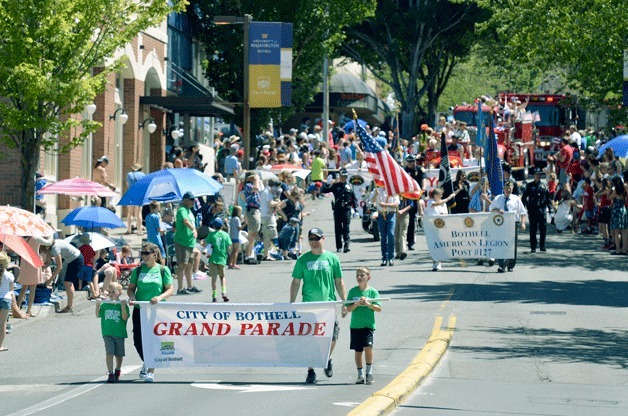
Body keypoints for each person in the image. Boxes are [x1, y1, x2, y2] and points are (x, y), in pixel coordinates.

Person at [290, 228, 348, 384]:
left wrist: (345, 302)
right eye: (311, 239)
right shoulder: (302, 260)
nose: (314, 242)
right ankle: (311, 370)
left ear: (323, 239)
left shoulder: (332, 258)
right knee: (309, 339)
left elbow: (338, 281)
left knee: (332, 336)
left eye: (316, 238)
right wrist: (292, 303)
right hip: (309, 306)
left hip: (328, 305)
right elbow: (296, 282)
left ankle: (326, 358)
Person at [127, 243, 174, 383]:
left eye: (147, 253)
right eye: (142, 253)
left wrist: (160, 297)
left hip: (157, 310)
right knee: (138, 340)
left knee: (154, 340)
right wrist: (132, 296)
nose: (144, 256)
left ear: (154, 254)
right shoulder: (138, 270)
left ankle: (151, 370)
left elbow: (170, 289)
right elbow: (131, 288)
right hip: (140, 309)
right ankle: (147, 362)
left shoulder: (162, 270)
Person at [345, 266, 382, 385]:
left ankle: (369, 372)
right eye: (357, 275)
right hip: (355, 325)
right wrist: (356, 304)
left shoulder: (373, 292)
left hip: (368, 325)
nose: (359, 277)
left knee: (368, 347)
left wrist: (368, 304)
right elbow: (348, 308)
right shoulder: (353, 291)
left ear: (368, 277)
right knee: (358, 351)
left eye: (362, 275)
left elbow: (379, 308)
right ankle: (360, 374)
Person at [489, 181, 527, 273]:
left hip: (513, 224)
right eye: (506, 188)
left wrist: (523, 223)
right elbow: (491, 210)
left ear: (512, 189)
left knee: (511, 245)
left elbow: (522, 212)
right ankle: (502, 265)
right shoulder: (498, 198)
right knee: (501, 244)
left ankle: (510, 265)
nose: (508, 190)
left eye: (510, 188)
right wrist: (498, 210)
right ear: (503, 189)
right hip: (501, 225)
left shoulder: (516, 199)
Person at [95, 282, 129, 383]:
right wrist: (97, 305)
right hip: (107, 333)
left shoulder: (121, 304)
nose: (111, 294)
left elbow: (124, 317)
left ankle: (117, 369)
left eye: (113, 292)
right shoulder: (105, 304)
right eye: (109, 292)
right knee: (109, 353)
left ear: (119, 293)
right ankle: (110, 373)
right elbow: (98, 315)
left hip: (119, 333)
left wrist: (123, 306)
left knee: (119, 354)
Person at [41, 239, 84, 313]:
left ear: (46, 247)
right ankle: (70, 305)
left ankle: (69, 307)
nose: (44, 253)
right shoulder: (51, 247)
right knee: (69, 283)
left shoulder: (55, 249)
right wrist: (40, 269)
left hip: (76, 259)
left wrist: (50, 280)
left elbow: (59, 267)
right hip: (72, 259)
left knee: (67, 283)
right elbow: (48, 262)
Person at [15, 235, 53, 317]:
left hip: (25, 261)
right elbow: (49, 243)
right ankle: (29, 310)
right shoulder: (36, 238)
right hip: (34, 261)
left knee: (24, 287)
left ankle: (17, 309)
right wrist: (51, 235)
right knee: (33, 288)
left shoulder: (22, 238)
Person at [321, 168, 357, 253]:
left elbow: (353, 198)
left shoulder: (349, 186)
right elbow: (324, 190)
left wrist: (356, 210)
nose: (344, 178)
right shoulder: (335, 185)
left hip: (346, 209)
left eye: (345, 176)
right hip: (337, 209)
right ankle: (339, 246)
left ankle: (346, 245)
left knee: (346, 228)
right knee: (338, 229)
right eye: (342, 176)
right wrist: (328, 183)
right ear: (339, 176)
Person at [173, 191, 202, 295]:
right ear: (185, 200)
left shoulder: (189, 210)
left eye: (194, 199)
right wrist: (193, 229)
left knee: (190, 264)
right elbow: (185, 221)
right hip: (182, 241)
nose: (193, 201)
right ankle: (180, 288)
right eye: (191, 199)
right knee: (182, 264)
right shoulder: (182, 210)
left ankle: (190, 286)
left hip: (190, 242)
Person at [424, 187, 460, 271]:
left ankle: (439, 263)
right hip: (431, 227)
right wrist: (448, 198)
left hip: (441, 227)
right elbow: (439, 203)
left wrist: (455, 193)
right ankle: (434, 263)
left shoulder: (443, 204)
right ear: (435, 195)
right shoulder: (430, 202)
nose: (441, 197)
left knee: (439, 245)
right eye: (440, 195)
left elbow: (445, 214)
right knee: (433, 245)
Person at [522, 168, 554, 252]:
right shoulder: (529, 185)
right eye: (536, 174)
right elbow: (524, 197)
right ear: (534, 176)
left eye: (539, 174)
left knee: (543, 229)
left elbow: (548, 198)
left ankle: (542, 246)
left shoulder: (544, 185)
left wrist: (550, 209)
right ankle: (533, 247)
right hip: (532, 210)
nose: (538, 176)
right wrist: (525, 207)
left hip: (542, 210)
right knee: (533, 229)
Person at [372, 186, 399, 266]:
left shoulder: (393, 191)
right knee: (383, 237)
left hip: (391, 214)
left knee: (391, 235)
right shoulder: (376, 190)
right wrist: (376, 194)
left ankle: (391, 257)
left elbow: (396, 204)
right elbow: (372, 200)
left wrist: (386, 204)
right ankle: (384, 258)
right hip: (381, 215)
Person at [205, 218, 232, 302]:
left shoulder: (211, 235)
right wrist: (227, 253)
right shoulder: (225, 235)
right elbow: (229, 246)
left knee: (214, 279)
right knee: (222, 276)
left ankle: (214, 295)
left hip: (213, 258)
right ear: (222, 226)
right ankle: (224, 292)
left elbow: (206, 244)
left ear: (213, 226)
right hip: (222, 258)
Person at [404, 155, 426, 250]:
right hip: (407, 195)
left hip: (417, 195)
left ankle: (410, 242)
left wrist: (423, 189)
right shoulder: (404, 170)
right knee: (408, 219)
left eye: (413, 161)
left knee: (412, 219)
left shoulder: (420, 169)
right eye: (409, 161)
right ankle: (406, 240)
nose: (411, 163)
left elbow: (424, 180)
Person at [243, 171, 263, 264]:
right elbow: (256, 188)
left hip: (256, 210)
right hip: (252, 211)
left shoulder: (253, 184)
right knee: (251, 234)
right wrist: (256, 179)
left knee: (254, 234)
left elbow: (260, 188)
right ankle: (248, 256)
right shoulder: (248, 185)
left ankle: (251, 254)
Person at [125, 163, 146, 235]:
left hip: (130, 194)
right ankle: (139, 230)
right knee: (139, 213)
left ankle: (129, 229)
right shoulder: (143, 175)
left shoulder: (129, 174)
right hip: (139, 194)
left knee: (129, 213)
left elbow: (127, 185)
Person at [0, 252, 14, 351]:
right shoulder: (9, 275)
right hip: (5, 299)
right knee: (3, 323)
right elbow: (11, 290)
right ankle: (0, 345)